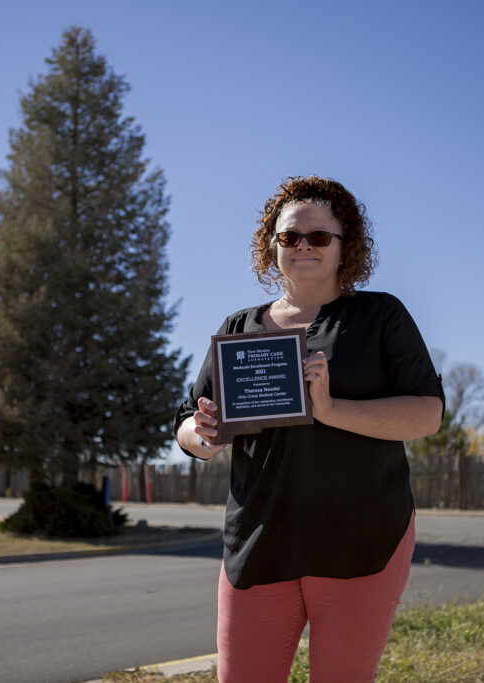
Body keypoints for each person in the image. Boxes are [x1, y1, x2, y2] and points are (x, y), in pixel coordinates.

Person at [174, 175, 445, 682]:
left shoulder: (380, 315)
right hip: (258, 541)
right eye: (289, 236)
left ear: (346, 247)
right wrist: (202, 435)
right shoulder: (239, 329)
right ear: (271, 246)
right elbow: (188, 421)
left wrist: (330, 408)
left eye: (319, 237)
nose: (303, 246)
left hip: (360, 540)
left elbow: (427, 413)